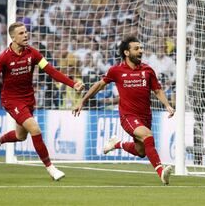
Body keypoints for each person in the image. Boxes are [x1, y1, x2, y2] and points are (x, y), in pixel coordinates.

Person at [0, 22, 84, 181]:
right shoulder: (4, 57)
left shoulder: (33, 53)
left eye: (26, 32)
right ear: (12, 37)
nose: (26, 35)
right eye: (21, 33)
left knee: (20, 135)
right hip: (11, 100)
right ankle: (51, 169)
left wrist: (73, 84)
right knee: (35, 129)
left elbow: (51, 71)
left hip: (28, 99)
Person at [72, 35, 175, 185]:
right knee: (147, 135)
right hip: (128, 116)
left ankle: (116, 144)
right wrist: (83, 101)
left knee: (141, 151)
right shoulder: (116, 70)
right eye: (136, 48)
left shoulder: (148, 70)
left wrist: (167, 105)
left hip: (146, 116)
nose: (141, 51)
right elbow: (99, 85)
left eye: (141, 48)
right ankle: (161, 173)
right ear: (127, 53)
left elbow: (158, 90)